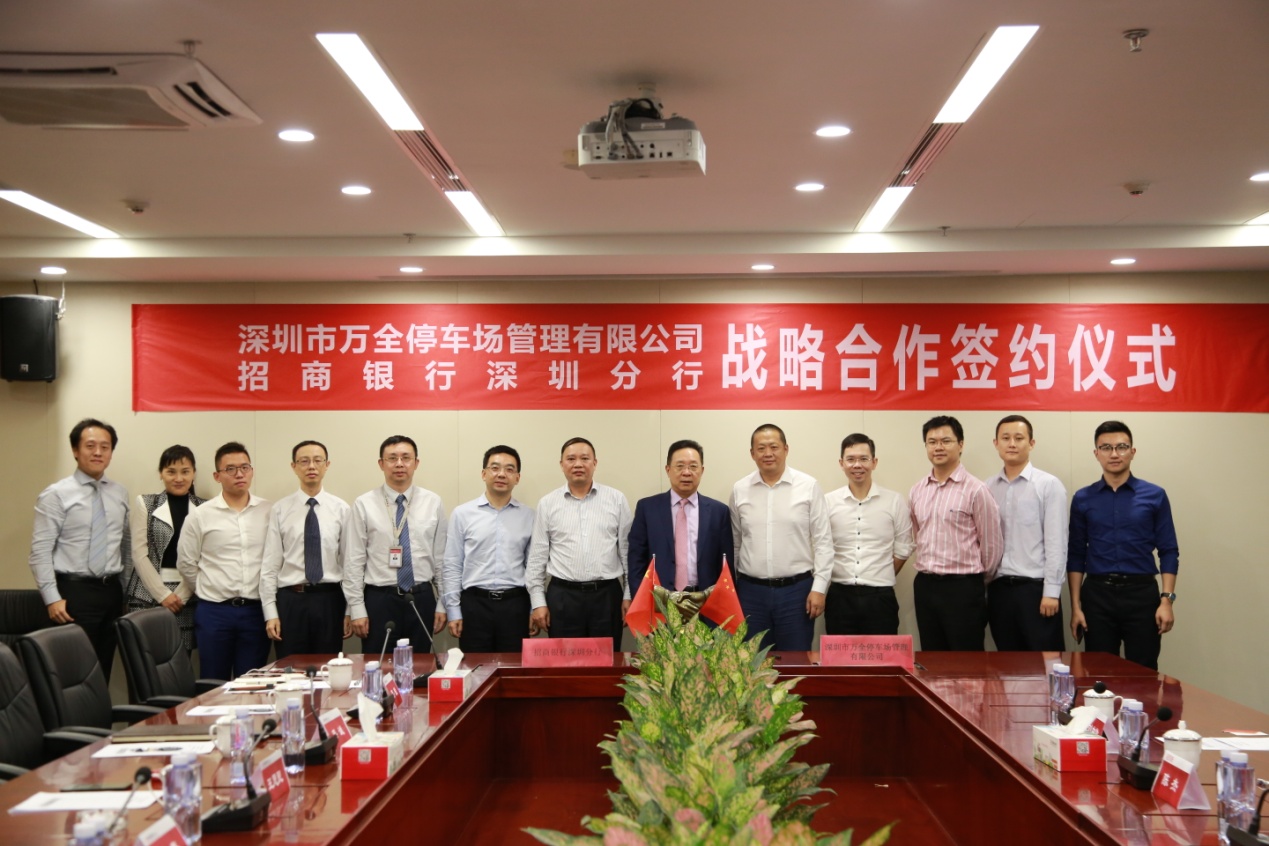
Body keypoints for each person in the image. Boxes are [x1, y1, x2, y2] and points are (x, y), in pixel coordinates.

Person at [1068, 421, 1179, 671]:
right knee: (1098, 674)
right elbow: (1076, 554)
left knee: (1143, 672)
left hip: (1141, 595)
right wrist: (1076, 607)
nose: (1114, 454)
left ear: (1132, 451)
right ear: (1096, 453)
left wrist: (1166, 600)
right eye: (1106, 447)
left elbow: (1169, 550)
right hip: (1097, 596)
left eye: (1121, 447)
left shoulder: (1155, 495)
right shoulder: (1083, 498)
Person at [28, 418, 130, 680]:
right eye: (90, 445)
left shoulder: (120, 493)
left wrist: (124, 592)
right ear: (75, 450)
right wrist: (52, 598)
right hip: (72, 595)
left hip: (111, 593)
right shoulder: (56, 494)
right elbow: (40, 551)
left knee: (102, 672)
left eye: (105, 447)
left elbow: (124, 546)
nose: (98, 452)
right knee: (71, 675)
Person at [729, 424, 833, 652]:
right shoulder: (740, 489)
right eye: (761, 448)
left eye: (774, 447)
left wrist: (819, 588)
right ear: (752, 453)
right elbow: (736, 543)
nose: (768, 453)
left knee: (796, 660)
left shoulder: (808, 486)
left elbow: (823, 542)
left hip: (797, 592)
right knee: (751, 661)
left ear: (786, 449)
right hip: (750, 593)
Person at [343, 436, 447, 657]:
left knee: (419, 665)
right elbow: (353, 560)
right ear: (381, 464)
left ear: (416, 463)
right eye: (392, 458)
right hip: (380, 599)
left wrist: (443, 602)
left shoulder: (433, 502)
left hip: (421, 597)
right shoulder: (364, 504)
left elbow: (441, 558)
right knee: (377, 665)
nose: (399, 464)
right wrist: (356, 607)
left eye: (406, 458)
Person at [176, 442, 272, 679]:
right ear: (217, 476)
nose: (239, 474)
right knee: (213, 682)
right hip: (214, 612)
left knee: (251, 683)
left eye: (244, 467)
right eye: (230, 469)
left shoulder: (269, 511)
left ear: (251, 471)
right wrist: (209, 588)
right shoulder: (200, 515)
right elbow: (186, 562)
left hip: (255, 611)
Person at [526, 437, 632, 650]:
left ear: (595, 463)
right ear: (561, 464)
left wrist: (629, 595)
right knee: (565, 664)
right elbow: (537, 558)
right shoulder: (547, 503)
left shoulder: (616, 499)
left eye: (585, 458)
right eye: (571, 459)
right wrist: (538, 602)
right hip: (563, 597)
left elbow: (627, 552)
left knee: (607, 662)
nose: (578, 464)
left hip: (607, 596)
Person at [908, 416, 1003, 652]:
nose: (938, 447)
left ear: (960, 444)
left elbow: (992, 546)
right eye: (932, 442)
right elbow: (918, 535)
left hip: (963, 589)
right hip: (926, 585)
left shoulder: (976, 489)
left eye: (946, 441)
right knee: (932, 656)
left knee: (966, 660)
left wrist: (975, 583)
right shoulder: (917, 490)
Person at [261, 440, 351, 659]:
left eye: (317, 460)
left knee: (328, 668)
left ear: (327, 465)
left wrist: (350, 609)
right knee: (290, 669)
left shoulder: (341, 509)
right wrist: (270, 612)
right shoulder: (280, 509)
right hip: (291, 600)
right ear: (294, 466)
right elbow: (271, 564)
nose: (311, 466)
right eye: (304, 461)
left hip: (330, 600)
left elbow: (350, 564)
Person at [985, 415, 1068, 651]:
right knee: (1007, 662)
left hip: (1036, 590)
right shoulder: (987, 487)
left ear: (1031, 443)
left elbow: (1057, 542)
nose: (1012, 443)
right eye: (1005, 438)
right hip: (999, 590)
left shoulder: (1048, 485)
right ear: (996, 443)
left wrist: (1052, 591)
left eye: (1019, 438)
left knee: (1047, 662)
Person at [441, 445, 534, 652]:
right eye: (495, 468)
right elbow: (452, 564)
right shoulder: (462, 514)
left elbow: (533, 568)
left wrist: (532, 609)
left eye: (509, 469)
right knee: (475, 667)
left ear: (517, 478)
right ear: (484, 474)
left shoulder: (529, 516)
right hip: (474, 605)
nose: (501, 474)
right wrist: (454, 610)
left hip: (515, 605)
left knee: (514, 666)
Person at [824, 433, 913, 636]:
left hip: (880, 598)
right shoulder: (828, 502)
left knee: (882, 656)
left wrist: (879, 573)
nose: (857, 465)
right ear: (841, 463)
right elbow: (821, 546)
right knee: (839, 656)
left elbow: (903, 548)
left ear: (874, 462)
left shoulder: (894, 501)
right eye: (851, 459)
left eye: (864, 459)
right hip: (839, 597)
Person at [124, 444, 205, 653]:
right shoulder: (146, 503)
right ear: (161, 473)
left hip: (187, 594)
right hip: (146, 595)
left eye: (185, 472)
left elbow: (203, 558)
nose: (178, 478)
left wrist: (181, 596)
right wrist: (162, 595)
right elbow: (138, 554)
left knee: (180, 660)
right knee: (145, 660)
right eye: (171, 472)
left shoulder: (205, 508)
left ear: (194, 474)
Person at [628, 439, 734, 596]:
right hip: (660, 599)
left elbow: (726, 564)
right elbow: (636, 559)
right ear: (668, 470)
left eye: (693, 466)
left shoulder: (719, 512)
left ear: (702, 470)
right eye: (680, 466)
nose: (686, 472)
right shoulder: (647, 508)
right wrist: (640, 597)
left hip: (706, 599)